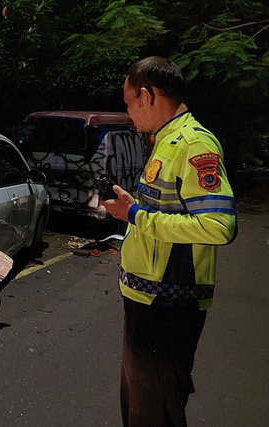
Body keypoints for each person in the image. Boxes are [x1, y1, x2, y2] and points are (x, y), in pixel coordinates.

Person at [100, 56, 237, 426]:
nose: (128, 112)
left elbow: (219, 225)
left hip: (168, 303)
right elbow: (167, 209)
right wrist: (134, 206)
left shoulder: (193, 144)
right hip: (147, 297)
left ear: (146, 95)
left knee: (156, 410)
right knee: (141, 404)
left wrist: (135, 215)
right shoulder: (164, 141)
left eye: (129, 102)